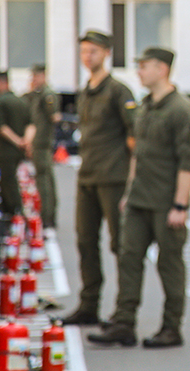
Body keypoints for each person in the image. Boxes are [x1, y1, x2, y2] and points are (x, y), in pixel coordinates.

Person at [87, 46, 190, 348]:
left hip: (166, 203)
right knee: (128, 259)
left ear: (162, 69)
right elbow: (137, 154)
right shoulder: (146, 106)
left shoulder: (181, 110)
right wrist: (129, 191)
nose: (138, 71)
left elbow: (188, 163)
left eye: (144, 66)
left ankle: (171, 328)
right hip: (139, 200)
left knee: (169, 265)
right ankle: (123, 323)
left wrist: (180, 205)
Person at [62, 30, 137, 326]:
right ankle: (89, 305)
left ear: (106, 53)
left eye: (92, 51)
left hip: (113, 179)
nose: (87, 57)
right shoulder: (86, 91)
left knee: (122, 245)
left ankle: (123, 313)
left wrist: (132, 178)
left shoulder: (118, 91)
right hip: (87, 177)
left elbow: (134, 135)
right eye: (83, 51)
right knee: (85, 242)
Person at [0, 70, 34, 216]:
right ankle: (17, 212)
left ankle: (15, 212)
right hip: (18, 151)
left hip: (6, 150)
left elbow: (0, 127)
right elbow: (31, 124)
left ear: (0, 83)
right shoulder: (21, 101)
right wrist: (26, 141)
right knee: (14, 180)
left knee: (8, 182)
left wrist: (18, 141)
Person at [24, 64, 61, 229]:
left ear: (43, 76)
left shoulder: (47, 95)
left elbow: (54, 116)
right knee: (45, 178)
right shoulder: (38, 94)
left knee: (43, 180)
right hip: (39, 142)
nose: (33, 80)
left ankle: (47, 216)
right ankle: (48, 215)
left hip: (42, 143)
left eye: (36, 76)